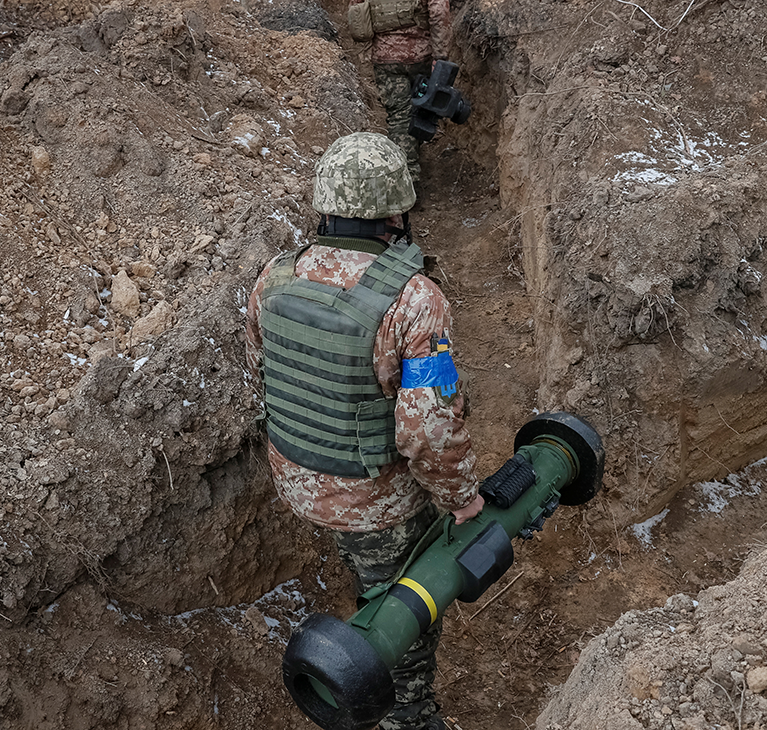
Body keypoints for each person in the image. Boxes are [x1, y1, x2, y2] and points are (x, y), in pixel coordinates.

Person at [245, 131, 482, 730]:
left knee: (364, 560)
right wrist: (462, 500)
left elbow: (264, 368)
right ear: (397, 208)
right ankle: (408, 713)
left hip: (294, 476)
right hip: (375, 503)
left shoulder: (274, 278)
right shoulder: (414, 300)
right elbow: (427, 429)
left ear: (324, 202)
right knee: (406, 613)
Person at [348, 0, 452, 185]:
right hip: (421, 56)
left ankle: (404, 175)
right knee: (420, 108)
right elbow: (439, 11)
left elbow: (357, 10)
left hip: (385, 57)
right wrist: (441, 55)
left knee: (399, 117)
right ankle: (408, 180)